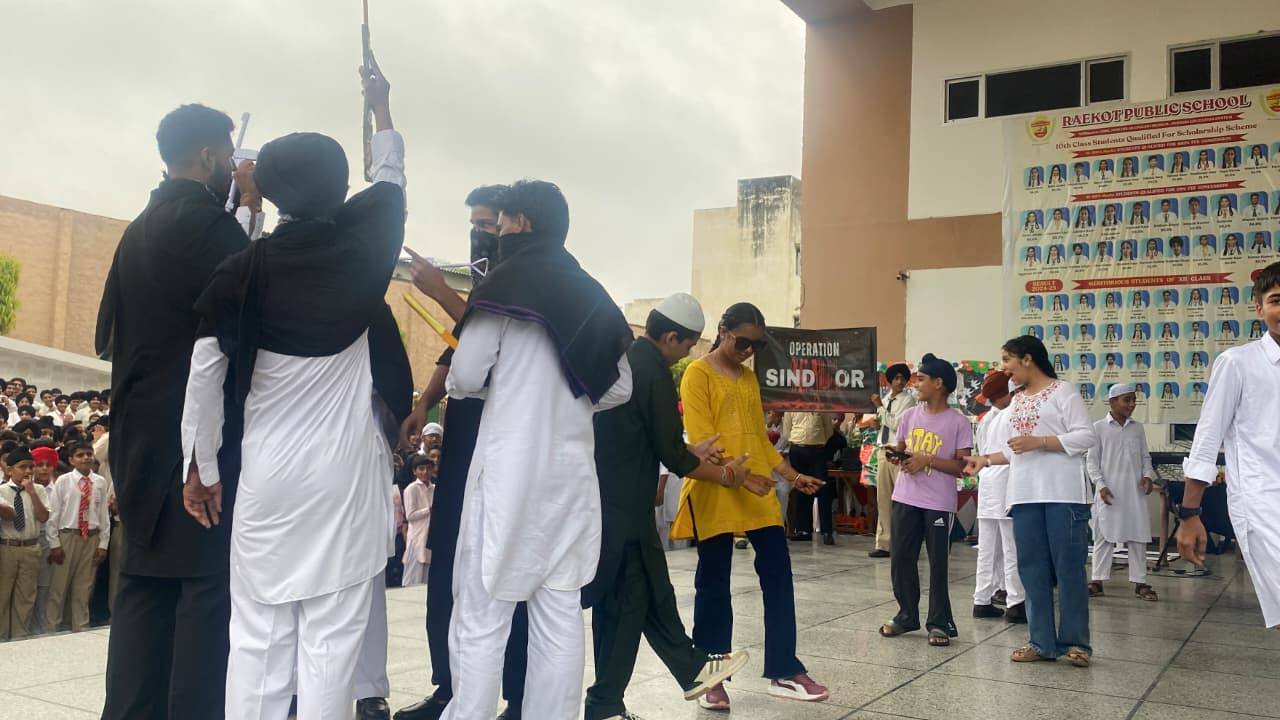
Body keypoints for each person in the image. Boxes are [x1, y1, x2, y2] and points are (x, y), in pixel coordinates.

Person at [180, 63, 413, 718]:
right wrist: (381, 109)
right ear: (341, 186)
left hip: (269, 481)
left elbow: (204, 374)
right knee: (332, 651)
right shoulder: (368, 254)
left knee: (256, 641)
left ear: (270, 188)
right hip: (345, 485)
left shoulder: (242, 268)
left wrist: (200, 468)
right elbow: (391, 183)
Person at [440, 179, 635, 720]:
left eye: (502, 222)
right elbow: (620, 387)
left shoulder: (505, 284)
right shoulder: (590, 293)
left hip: (509, 476)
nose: (497, 231)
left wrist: (508, 388)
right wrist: (567, 396)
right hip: (569, 482)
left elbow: (465, 376)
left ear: (522, 223)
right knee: (559, 615)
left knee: (482, 615)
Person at [95, 100, 259, 719]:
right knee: (202, 600)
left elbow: (107, 334)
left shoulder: (136, 230)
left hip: (138, 442)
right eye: (228, 156)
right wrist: (249, 217)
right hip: (196, 447)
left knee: (141, 594)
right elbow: (243, 320)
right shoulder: (215, 230)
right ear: (210, 156)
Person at [394, 185, 531, 720]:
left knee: (508, 569)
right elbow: (456, 347)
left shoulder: (528, 283)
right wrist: (423, 404)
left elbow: (496, 344)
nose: (480, 235)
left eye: (489, 225)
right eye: (474, 225)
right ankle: (448, 687)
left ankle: (518, 696)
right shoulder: (481, 286)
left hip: (505, 441)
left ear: (515, 226)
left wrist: (439, 293)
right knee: (447, 562)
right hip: (463, 438)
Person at [583, 293, 755, 720]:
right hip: (626, 512)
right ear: (671, 337)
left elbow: (644, 437)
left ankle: (681, 674)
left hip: (611, 504)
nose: (687, 354)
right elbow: (672, 455)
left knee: (643, 599)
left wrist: (690, 450)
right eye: (688, 345)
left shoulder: (628, 362)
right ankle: (612, 701)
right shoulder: (653, 372)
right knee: (631, 603)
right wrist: (725, 474)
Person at [670, 302, 830, 710]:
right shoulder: (697, 373)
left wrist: (792, 475)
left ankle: (784, 668)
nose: (747, 351)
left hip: (756, 488)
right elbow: (704, 440)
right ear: (723, 331)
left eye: (755, 345)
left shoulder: (748, 378)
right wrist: (741, 478)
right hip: (717, 485)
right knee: (713, 580)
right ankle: (712, 676)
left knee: (778, 573)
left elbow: (758, 438)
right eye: (742, 342)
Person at [963, 335, 1094, 666]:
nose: (1004, 368)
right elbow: (1014, 449)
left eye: (1007, 360)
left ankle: (1076, 643)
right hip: (1023, 495)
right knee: (1031, 569)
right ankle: (1041, 642)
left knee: (1068, 569)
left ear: (1027, 359)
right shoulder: (1017, 400)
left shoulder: (1063, 392)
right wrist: (985, 460)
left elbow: (1086, 436)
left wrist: (1042, 442)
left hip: (1064, 494)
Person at [877, 354, 972, 648]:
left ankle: (939, 622)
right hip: (906, 496)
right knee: (901, 558)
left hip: (939, 502)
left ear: (939, 383)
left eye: (921, 379)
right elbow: (902, 450)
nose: (915, 384)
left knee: (937, 563)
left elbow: (962, 466)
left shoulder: (958, 422)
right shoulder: (909, 416)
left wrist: (927, 459)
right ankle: (906, 615)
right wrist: (899, 457)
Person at [1086, 384, 1158, 602]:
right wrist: (1100, 485)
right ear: (1112, 402)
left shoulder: (1137, 428)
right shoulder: (1098, 428)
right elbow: (1091, 462)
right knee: (1104, 535)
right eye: (1127, 400)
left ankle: (1140, 582)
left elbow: (1145, 458)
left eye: (1133, 400)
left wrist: (1148, 476)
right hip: (1109, 492)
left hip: (1134, 492)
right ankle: (1097, 581)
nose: (1132, 404)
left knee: (1137, 536)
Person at [972, 374, 1024, 623]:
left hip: (988, 484)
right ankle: (1016, 602)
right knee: (1011, 547)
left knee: (987, 549)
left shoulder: (987, 420)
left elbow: (983, 452)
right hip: (1006, 483)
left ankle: (981, 600)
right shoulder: (1014, 414)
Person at [43, 441, 110, 633]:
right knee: (59, 587)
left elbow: (103, 515)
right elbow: (54, 514)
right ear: (71, 460)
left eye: (89, 454)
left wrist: (103, 544)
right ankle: (51, 630)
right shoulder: (64, 481)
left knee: (84, 588)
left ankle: (81, 628)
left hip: (91, 537)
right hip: (67, 536)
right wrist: (55, 544)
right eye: (80, 455)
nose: (86, 458)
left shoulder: (100, 482)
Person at [0, 447, 50, 640]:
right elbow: (9, 515)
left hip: (30, 547)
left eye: (31, 466)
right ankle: (2, 637)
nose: (28, 471)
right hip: (7, 547)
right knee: (3, 594)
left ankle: (20, 637)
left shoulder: (39, 490)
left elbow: (43, 517)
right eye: (23, 467)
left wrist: (32, 492)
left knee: (26, 596)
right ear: (9, 469)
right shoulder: (2, 490)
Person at [871, 363, 916, 558]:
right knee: (883, 499)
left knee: (901, 500)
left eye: (903, 378)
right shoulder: (885, 399)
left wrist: (880, 408)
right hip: (883, 450)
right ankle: (883, 543)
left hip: (898, 452)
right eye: (896, 378)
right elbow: (884, 424)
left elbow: (898, 425)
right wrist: (876, 424)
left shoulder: (908, 401)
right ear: (890, 381)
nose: (899, 381)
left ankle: (901, 542)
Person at [783, 411, 837, 543]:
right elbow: (787, 431)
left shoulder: (820, 407)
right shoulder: (791, 408)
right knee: (801, 488)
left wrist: (818, 442)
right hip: (797, 449)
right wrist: (798, 441)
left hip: (817, 450)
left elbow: (828, 430)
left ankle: (827, 531)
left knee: (822, 488)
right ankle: (803, 530)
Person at [402, 455, 434, 587]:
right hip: (416, 537)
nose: (425, 472)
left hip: (430, 536)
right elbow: (410, 515)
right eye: (421, 469)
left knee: (427, 577)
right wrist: (428, 510)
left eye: (428, 468)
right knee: (412, 577)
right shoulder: (411, 489)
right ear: (414, 471)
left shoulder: (434, 488)